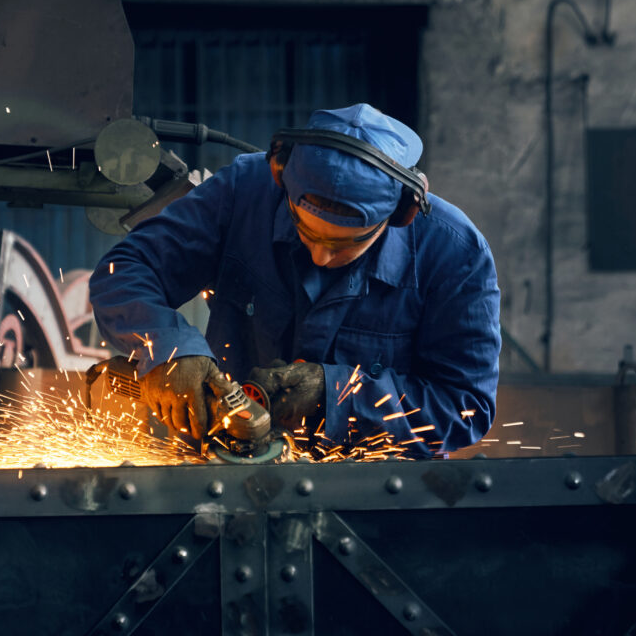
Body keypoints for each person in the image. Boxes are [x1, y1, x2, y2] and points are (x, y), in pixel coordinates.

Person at [88, 104, 500, 458]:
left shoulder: (455, 253)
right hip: (225, 468)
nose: (321, 256)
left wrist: (335, 396)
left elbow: (465, 408)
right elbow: (127, 268)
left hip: (376, 498)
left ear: (399, 215)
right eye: (307, 232)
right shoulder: (244, 194)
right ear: (279, 176)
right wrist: (168, 349)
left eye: (345, 245)